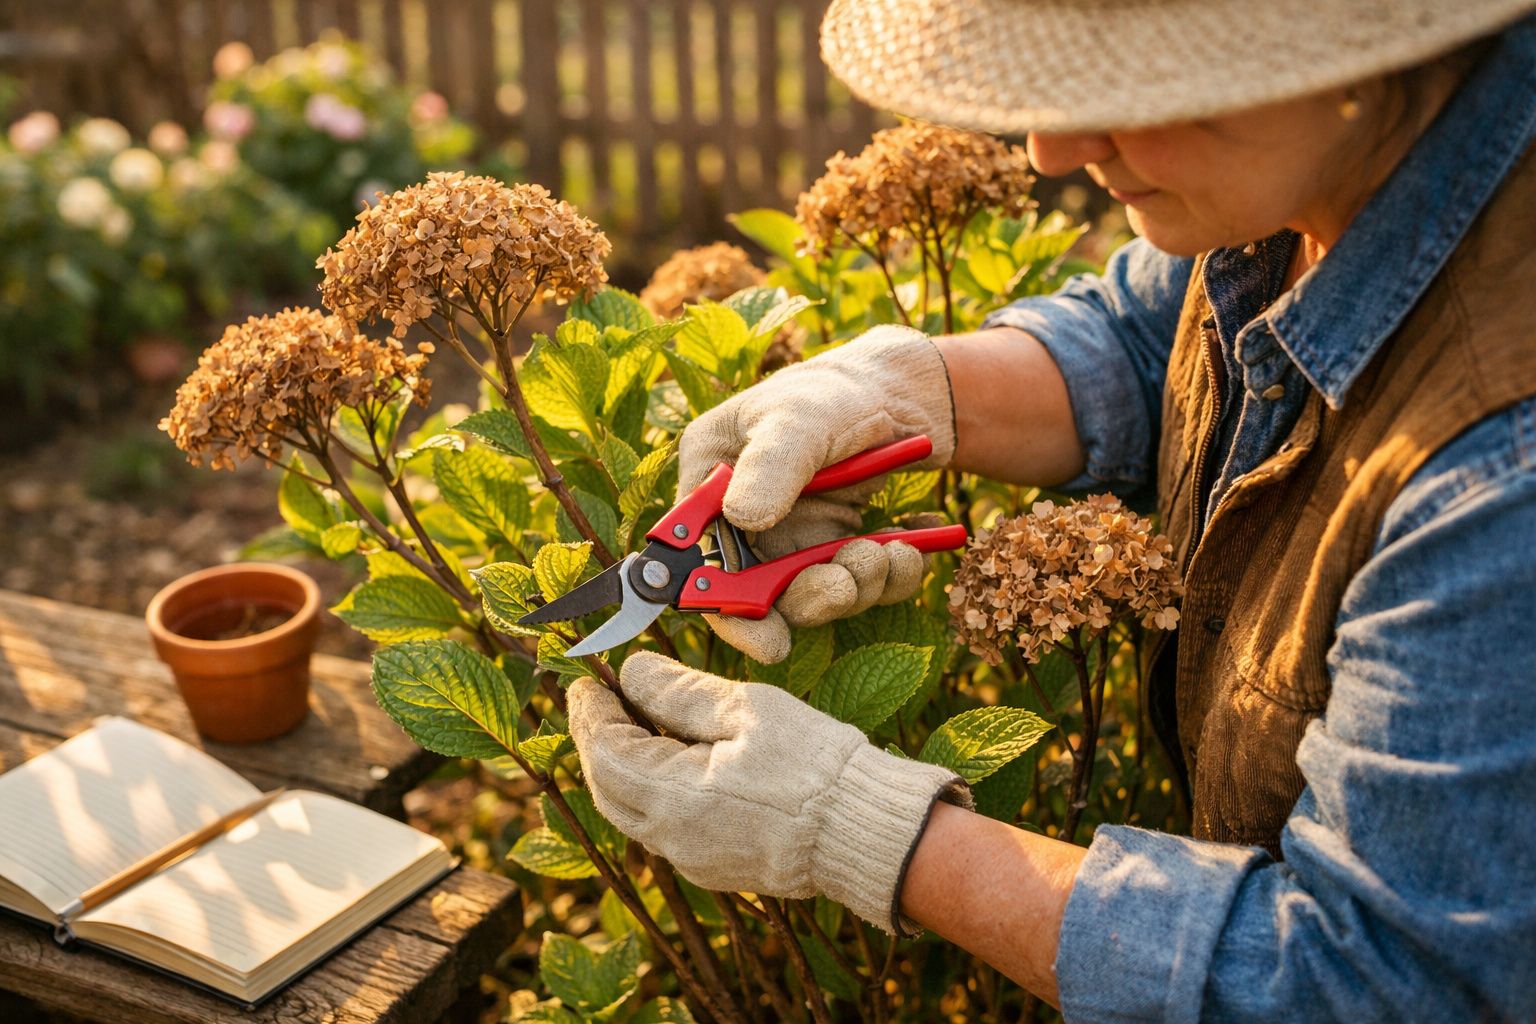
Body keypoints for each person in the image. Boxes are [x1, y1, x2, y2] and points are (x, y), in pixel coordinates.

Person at [567, 0, 1536, 1018]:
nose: (1051, 147)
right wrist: (909, 390)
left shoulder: (1502, 471)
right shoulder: (1314, 170)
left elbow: (1374, 984)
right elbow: (1148, 335)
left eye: (1131, 85)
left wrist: (865, 829)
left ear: (1359, 46)